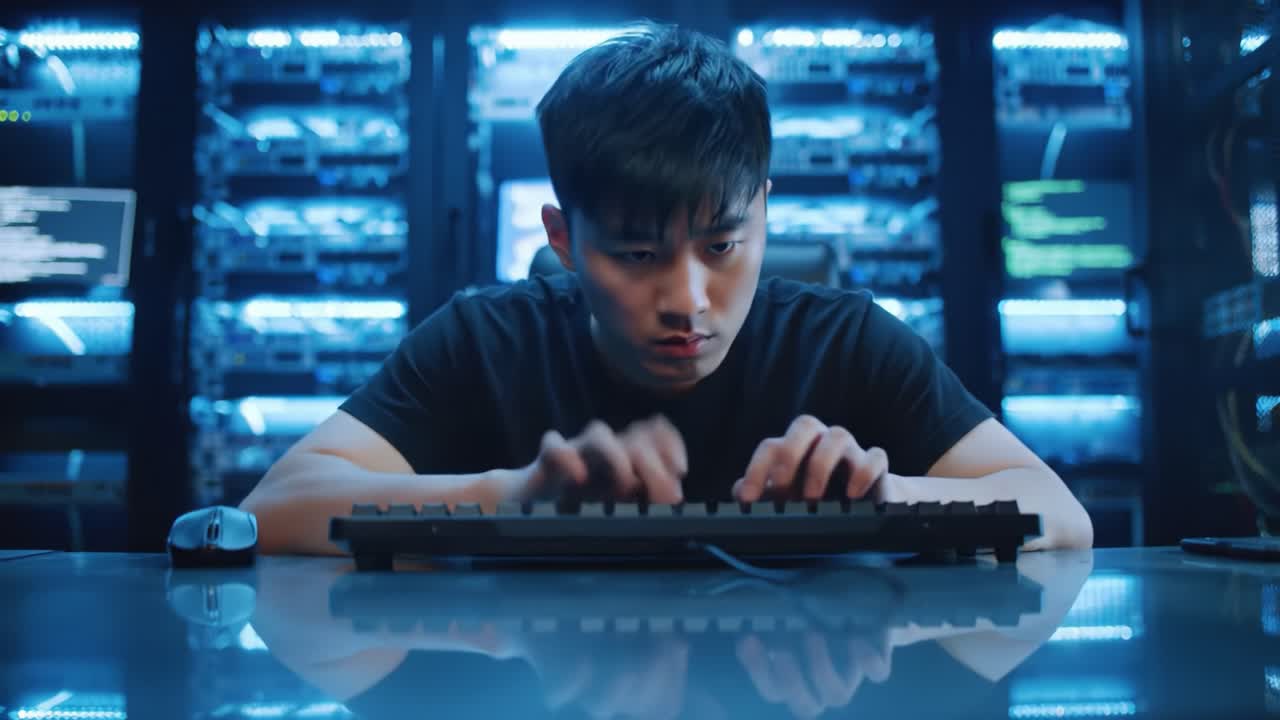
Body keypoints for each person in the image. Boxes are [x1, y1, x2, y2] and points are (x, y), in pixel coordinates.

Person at [240, 24, 1093, 555]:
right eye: (638, 254)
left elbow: (1060, 514)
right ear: (564, 240)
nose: (688, 299)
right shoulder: (485, 341)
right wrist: (513, 496)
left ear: (765, 213)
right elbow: (272, 509)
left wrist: (885, 497)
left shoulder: (847, 339)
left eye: (723, 244)